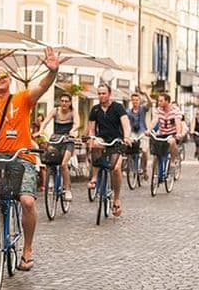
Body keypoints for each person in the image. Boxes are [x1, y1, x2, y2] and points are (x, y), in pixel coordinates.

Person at [0, 47, 61, 271]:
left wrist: (53, 72)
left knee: (27, 202)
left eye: (3, 76)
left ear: (9, 80)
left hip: (22, 155)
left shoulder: (22, 98)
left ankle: (27, 249)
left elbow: (42, 87)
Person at [86, 84, 131, 217]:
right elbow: (92, 129)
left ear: (109, 94)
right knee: (95, 144)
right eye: (99, 93)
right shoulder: (95, 109)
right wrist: (91, 139)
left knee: (116, 169)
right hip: (102, 139)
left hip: (116, 141)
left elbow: (125, 124)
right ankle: (94, 177)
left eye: (104, 93)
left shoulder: (118, 107)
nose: (101, 96)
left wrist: (127, 137)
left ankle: (116, 199)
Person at [40, 93, 80, 201]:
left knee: (63, 164)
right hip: (56, 139)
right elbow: (45, 121)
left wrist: (73, 131)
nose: (64, 103)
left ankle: (67, 189)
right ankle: (51, 178)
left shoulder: (73, 112)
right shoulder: (55, 111)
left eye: (66, 101)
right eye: (62, 101)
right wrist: (41, 130)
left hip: (68, 140)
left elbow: (77, 123)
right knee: (49, 159)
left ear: (70, 103)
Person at [148, 92, 184, 162]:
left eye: (161, 101)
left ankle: (173, 160)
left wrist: (178, 133)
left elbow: (178, 123)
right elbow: (154, 120)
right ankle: (155, 168)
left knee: (172, 141)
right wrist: (149, 130)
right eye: (158, 101)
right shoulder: (158, 110)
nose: (159, 103)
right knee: (156, 154)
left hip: (172, 134)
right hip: (162, 134)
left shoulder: (175, 110)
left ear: (167, 101)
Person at [126, 91, 152, 179]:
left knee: (144, 151)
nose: (135, 102)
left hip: (142, 132)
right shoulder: (128, 112)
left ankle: (144, 169)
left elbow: (150, 103)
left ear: (139, 101)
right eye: (133, 100)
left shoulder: (142, 109)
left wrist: (146, 94)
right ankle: (131, 166)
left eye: (137, 100)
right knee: (130, 150)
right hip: (132, 132)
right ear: (131, 101)